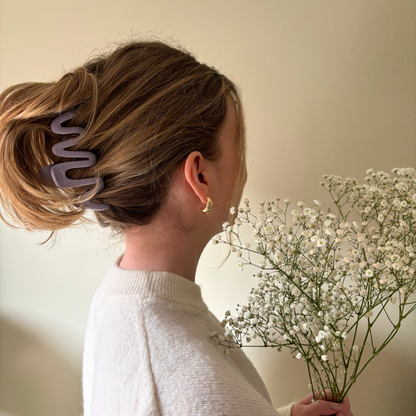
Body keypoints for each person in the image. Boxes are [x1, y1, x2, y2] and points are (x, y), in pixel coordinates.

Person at [0, 37, 353, 416]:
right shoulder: (198, 386)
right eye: (238, 148)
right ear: (200, 177)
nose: (244, 169)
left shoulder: (120, 299)